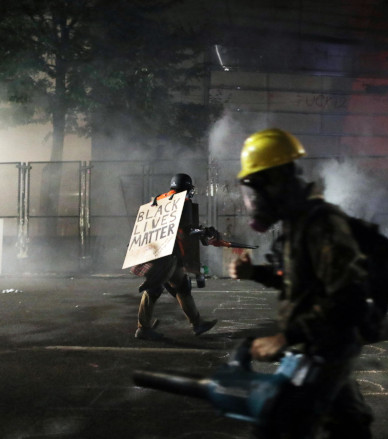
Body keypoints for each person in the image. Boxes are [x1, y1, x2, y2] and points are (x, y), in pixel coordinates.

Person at [229, 128, 375, 438]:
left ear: (278, 181)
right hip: (317, 346)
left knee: (279, 425)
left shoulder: (321, 224)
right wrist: (255, 273)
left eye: (256, 189)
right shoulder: (296, 226)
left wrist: (284, 338)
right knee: (349, 426)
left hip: (327, 347)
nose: (254, 201)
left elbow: (349, 297)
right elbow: (297, 283)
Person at [133, 173, 218, 340]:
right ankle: (143, 328)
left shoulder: (158, 200)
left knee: (182, 287)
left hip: (158, 252)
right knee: (153, 289)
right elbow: (186, 231)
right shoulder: (182, 202)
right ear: (186, 187)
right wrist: (205, 231)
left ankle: (197, 324)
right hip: (167, 256)